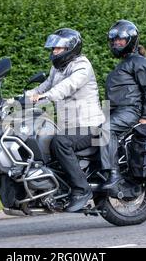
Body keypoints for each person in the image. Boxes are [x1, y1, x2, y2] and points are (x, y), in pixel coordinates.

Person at [26, 28, 105, 212]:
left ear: (71, 48)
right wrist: (16, 99)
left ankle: (82, 190)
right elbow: (43, 87)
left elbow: (66, 87)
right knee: (41, 142)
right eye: (53, 49)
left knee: (60, 143)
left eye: (58, 49)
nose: (54, 52)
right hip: (69, 127)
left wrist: (42, 98)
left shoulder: (82, 66)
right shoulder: (57, 68)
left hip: (90, 125)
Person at [100, 20, 146, 189]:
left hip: (131, 110)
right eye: (114, 40)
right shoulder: (125, 63)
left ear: (131, 40)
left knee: (106, 129)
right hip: (118, 110)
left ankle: (113, 175)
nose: (116, 42)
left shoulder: (139, 62)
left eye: (120, 39)